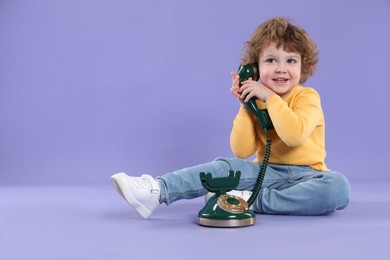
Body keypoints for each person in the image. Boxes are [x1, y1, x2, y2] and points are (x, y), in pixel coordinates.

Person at [110, 17, 351, 220]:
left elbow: (294, 135)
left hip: (308, 174)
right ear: (254, 68)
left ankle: (252, 201)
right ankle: (156, 190)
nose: (280, 68)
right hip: (267, 173)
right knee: (225, 166)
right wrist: (246, 106)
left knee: (338, 188)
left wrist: (270, 98)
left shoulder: (307, 97)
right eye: (270, 60)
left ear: (303, 66)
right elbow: (241, 150)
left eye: (291, 61)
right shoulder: (256, 100)